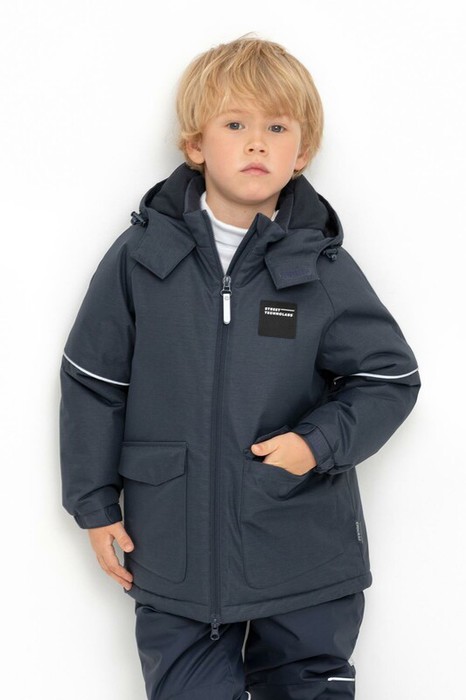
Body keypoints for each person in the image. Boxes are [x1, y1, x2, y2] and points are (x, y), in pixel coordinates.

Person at [59, 36, 421, 700]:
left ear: (301, 153)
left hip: (303, 546)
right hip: (174, 547)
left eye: (277, 128)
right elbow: (94, 383)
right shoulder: (140, 259)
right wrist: (94, 505)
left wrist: (316, 444)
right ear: (195, 145)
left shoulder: (322, 267)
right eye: (235, 125)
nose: (257, 143)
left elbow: (388, 378)